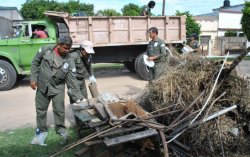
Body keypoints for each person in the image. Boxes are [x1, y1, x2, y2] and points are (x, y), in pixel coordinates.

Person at [30, 36, 84, 146]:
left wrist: (79, 97)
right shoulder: (46, 49)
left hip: (58, 87)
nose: (67, 51)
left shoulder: (69, 60)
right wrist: (33, 78)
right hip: (43, 85)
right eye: (65, 48)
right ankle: (41, 130)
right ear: (58, 45)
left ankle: (60, 129)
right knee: (41, 110)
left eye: (69, 48)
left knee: (59, 111)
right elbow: (35, 62)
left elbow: (72, 80)